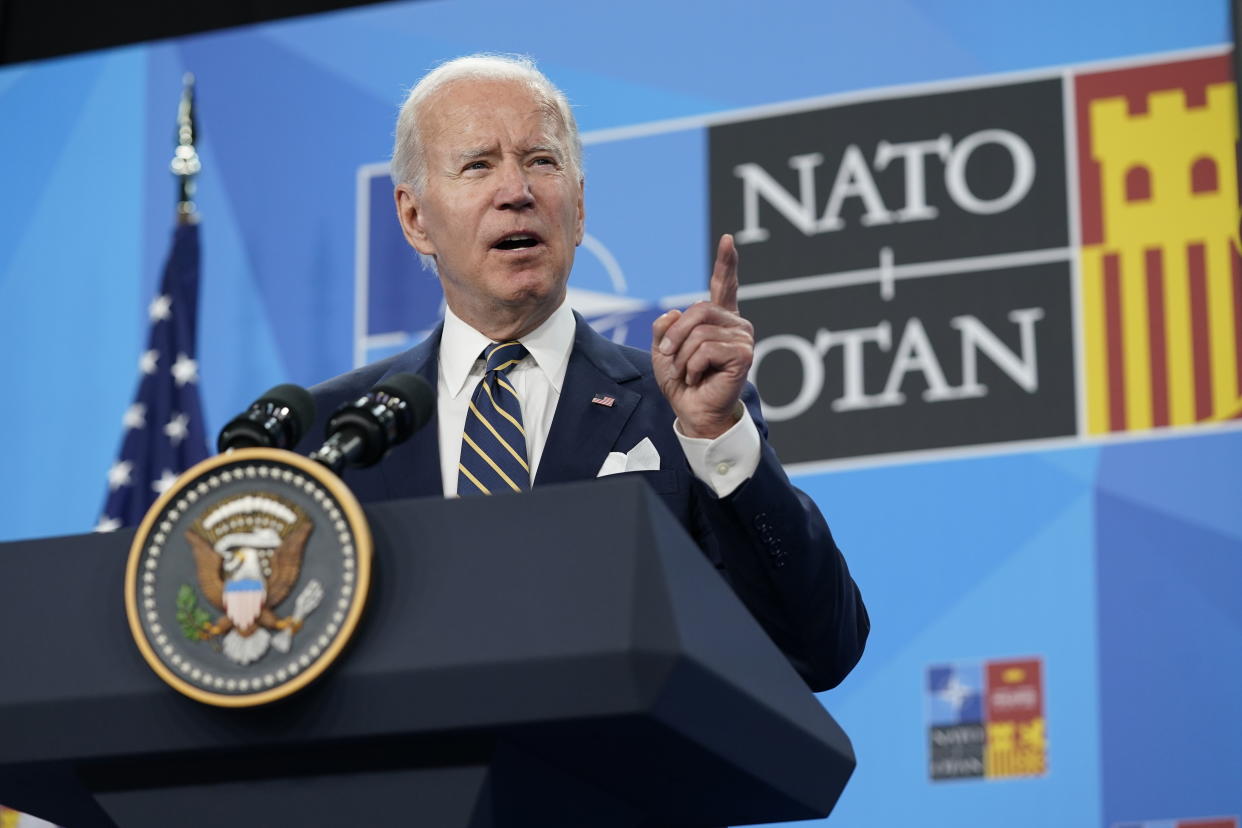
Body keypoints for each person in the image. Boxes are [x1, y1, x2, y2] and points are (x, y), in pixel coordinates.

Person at [304, 54, 867, 691]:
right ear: (414, 219)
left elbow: (820, 648)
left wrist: (718, 437)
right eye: (478, 164)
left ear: (578, 207)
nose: (516, 190)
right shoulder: (331, 437)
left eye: (541, 161)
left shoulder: (677, 409)